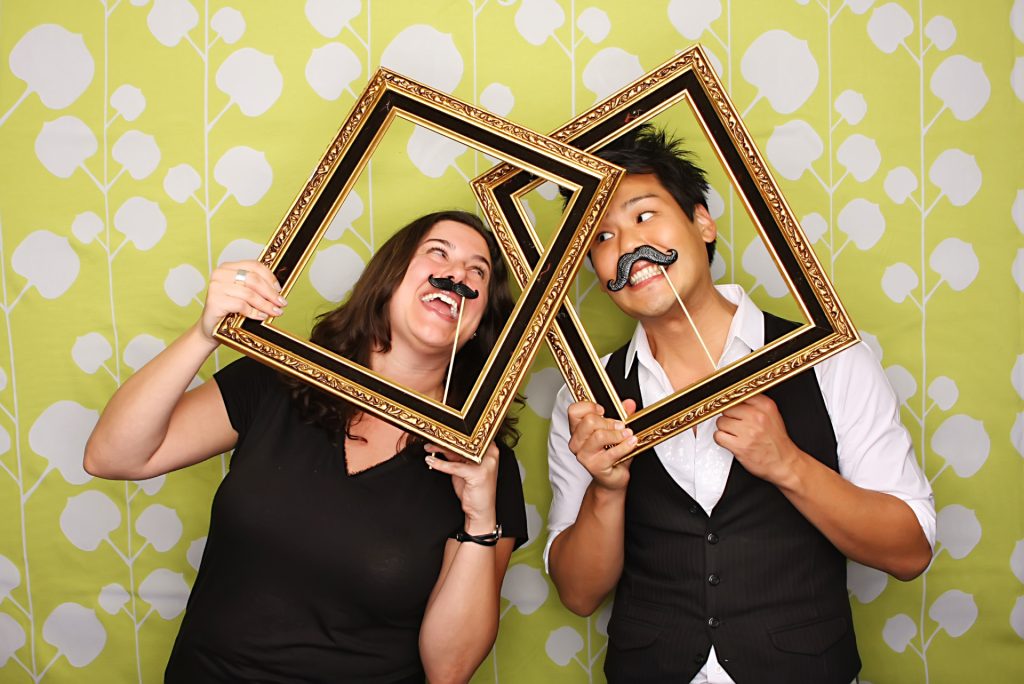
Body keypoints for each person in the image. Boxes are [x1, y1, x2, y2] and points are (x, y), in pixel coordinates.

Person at [545, 126, 935, 684]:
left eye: (643, 215)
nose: (627, 247)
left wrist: (789, 464)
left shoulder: (828, 359)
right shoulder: (585, 399)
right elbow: (579, 594)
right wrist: (607, 492)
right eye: (601, 238)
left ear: (703, 221)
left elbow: (910, 551)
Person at [84, 210, 528, 683]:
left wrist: (480, 521)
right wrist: (203, 334)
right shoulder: (277, 380)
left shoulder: (481, 465)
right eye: (438, 253)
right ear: (389, 278)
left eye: (477, 271)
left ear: (480, 324)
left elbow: (450, 670)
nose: (457, 274)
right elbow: (112, 456)